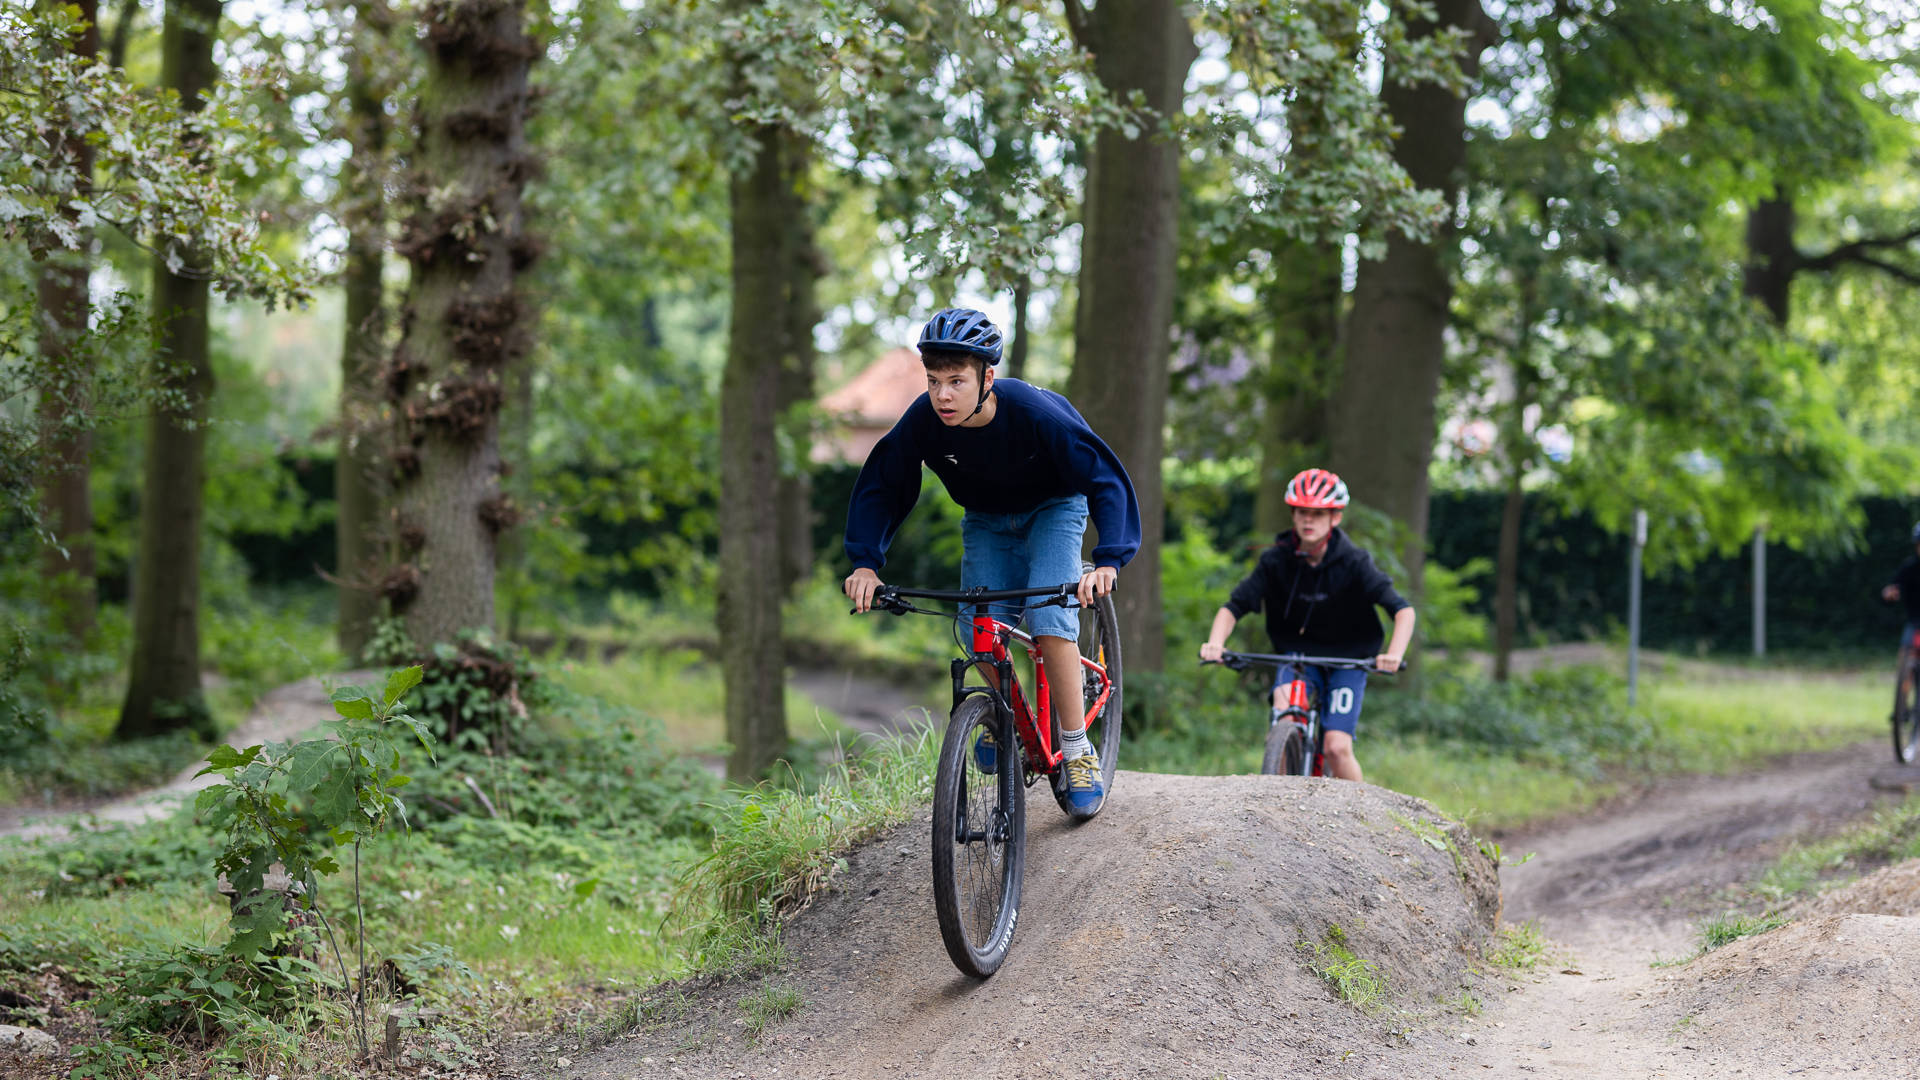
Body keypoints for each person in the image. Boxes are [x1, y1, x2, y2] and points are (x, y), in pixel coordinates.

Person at [842, 307, 1142, 819]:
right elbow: (883, 485)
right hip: (985, 519)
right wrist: (866, 563)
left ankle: (1076, 749)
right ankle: (1009, 722)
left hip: (1055, 509)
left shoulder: (1035, 412)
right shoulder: (925, 420)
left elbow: (1104, 478)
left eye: (957, 381)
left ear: (988, 379)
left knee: (1050, 619)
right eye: (934, 381)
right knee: (977, 626)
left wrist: (1110, 558)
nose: (943, 396)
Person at [1196, 468, 1414, 782]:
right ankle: (1281, 794)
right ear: (1293, 515)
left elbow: (1403, 611)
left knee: (1337, 747)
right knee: (1285, 711)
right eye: (1301, 512)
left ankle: (1362, 820)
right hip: (1296, 656)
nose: (1308, 520)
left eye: (1317, 513)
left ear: (1335, 518)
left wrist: (1393, 654)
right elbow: (1233, 607)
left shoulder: (1355, 562)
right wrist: (1215, 642)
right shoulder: (1275, 561)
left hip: (1348, 659)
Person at [1879, 522, 1920, 660]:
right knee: (1905, 653)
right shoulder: (1909, 567)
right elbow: (1893, 587)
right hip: (1915, 621)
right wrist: (1889, 594)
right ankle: (1904, 680)